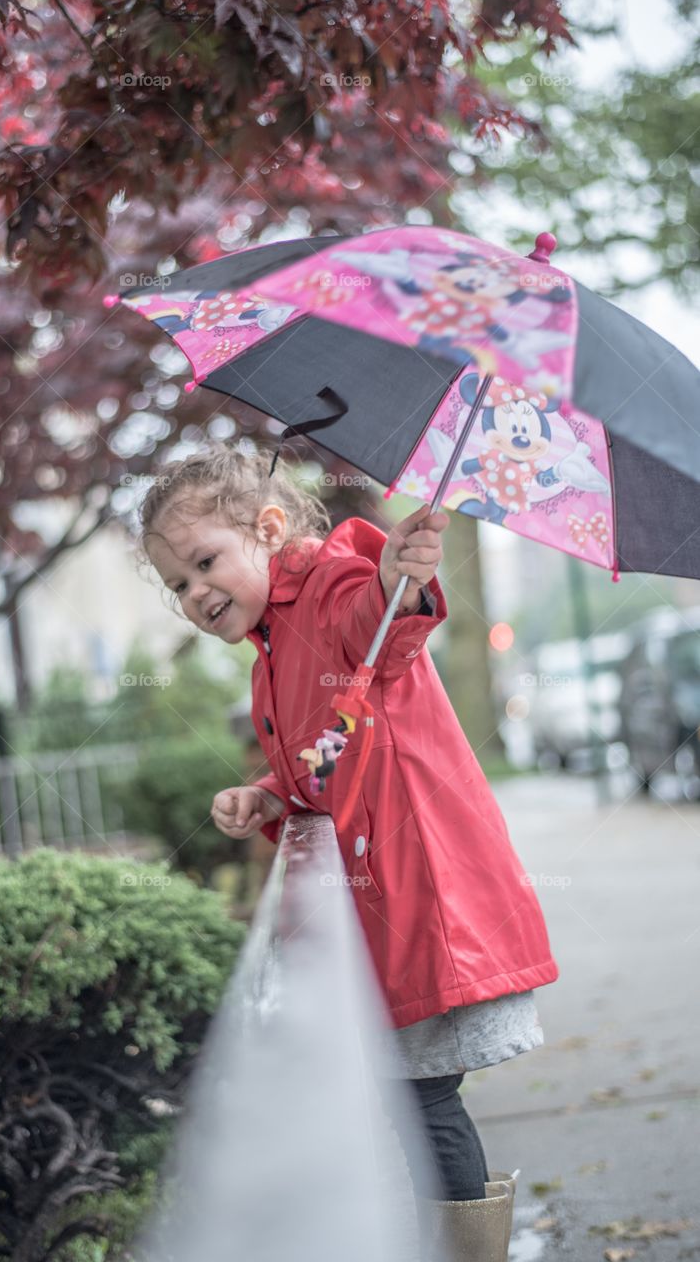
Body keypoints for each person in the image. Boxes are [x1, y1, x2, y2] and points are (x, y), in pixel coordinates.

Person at [138, 443, 558, 1262]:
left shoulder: (329, 586)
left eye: (204, 564)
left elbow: (380, 619)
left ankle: (466, 1252)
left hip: (424, 899)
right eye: (178, 585)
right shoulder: (271, 647)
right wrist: (269, 793)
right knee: (411, 1099)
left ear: (266, 529)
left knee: (425, 1101)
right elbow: (326, 756)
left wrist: (401, 575)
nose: (195, 594)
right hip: (385, 904)